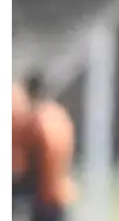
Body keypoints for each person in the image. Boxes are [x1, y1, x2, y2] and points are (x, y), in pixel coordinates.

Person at [12, 72, 76, 221]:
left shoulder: (37, 121)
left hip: (45, 194)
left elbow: (31, 161)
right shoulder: (59, 114)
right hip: (61, 190)